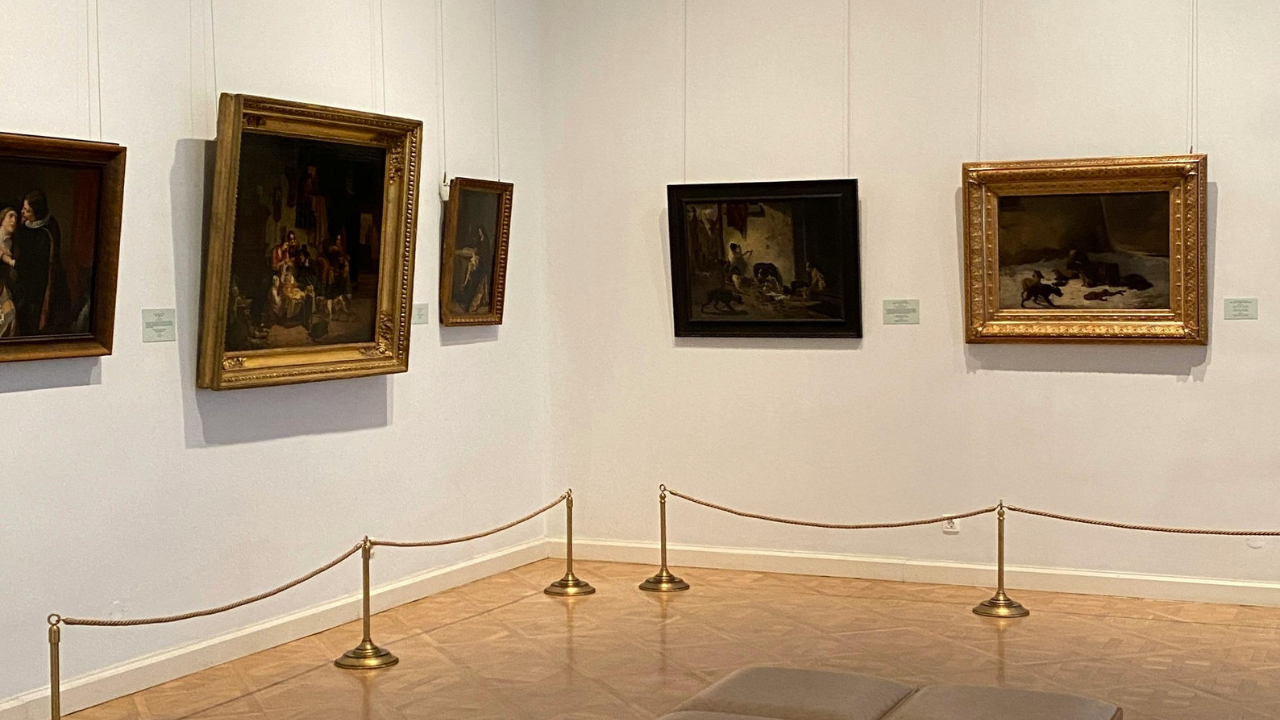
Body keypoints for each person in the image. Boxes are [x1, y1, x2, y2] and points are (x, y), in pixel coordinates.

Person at [12, 190, 68, 334]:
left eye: (27, 210)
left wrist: (9, 260)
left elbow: (32, 264)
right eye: (23, 208)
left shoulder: (46, 232)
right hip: (27, 280)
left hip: (40, 285)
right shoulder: (27, 226)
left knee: (31, 319)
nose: (22, 212)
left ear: (37, 213)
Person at [0, 207, 18, 337]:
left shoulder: (14, 244)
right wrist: (8, 260)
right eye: (10, 216)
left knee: (10, 315)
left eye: (16, 218)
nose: (13, 220)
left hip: (5, 285)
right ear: (2, 219)